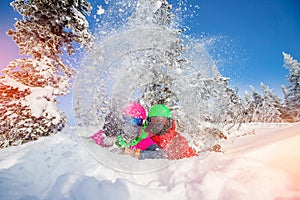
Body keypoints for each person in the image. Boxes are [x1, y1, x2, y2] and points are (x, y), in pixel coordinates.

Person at [90, 102, 166, 159]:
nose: (132, 125)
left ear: (141, 123)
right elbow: (88, 143)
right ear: (122, 120)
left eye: (136, 121)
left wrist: (136, 154)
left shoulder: (142, 139)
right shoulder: (111, 133)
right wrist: (105, 144)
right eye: (128, 120)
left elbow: (161, 154)